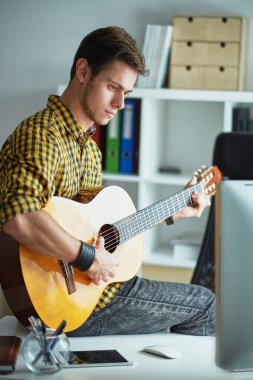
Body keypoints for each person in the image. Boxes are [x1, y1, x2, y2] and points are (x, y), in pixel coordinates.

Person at [0, 26, 214, 337]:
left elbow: (95, 231)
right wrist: (87, 259)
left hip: (87, 295)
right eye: (113, 87)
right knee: (206, 304)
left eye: (126, 93)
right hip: (64, 306)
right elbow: (19, 218)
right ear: (83, 71)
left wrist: (174, 210)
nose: (120, 104)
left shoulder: (89, 150)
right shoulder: (42, 135)